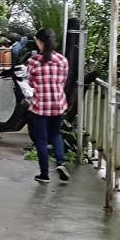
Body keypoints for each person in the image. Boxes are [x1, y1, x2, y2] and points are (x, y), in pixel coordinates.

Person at [27, 28, 71, 184]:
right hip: (57, 104)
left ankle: (44, 174)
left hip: (40, 105)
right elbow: (63, 81)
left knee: (41, 140)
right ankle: (60, 162)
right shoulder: (62, 60)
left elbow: (30, 83)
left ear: (39, 42)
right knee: (56, 134)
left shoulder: (34, 61)